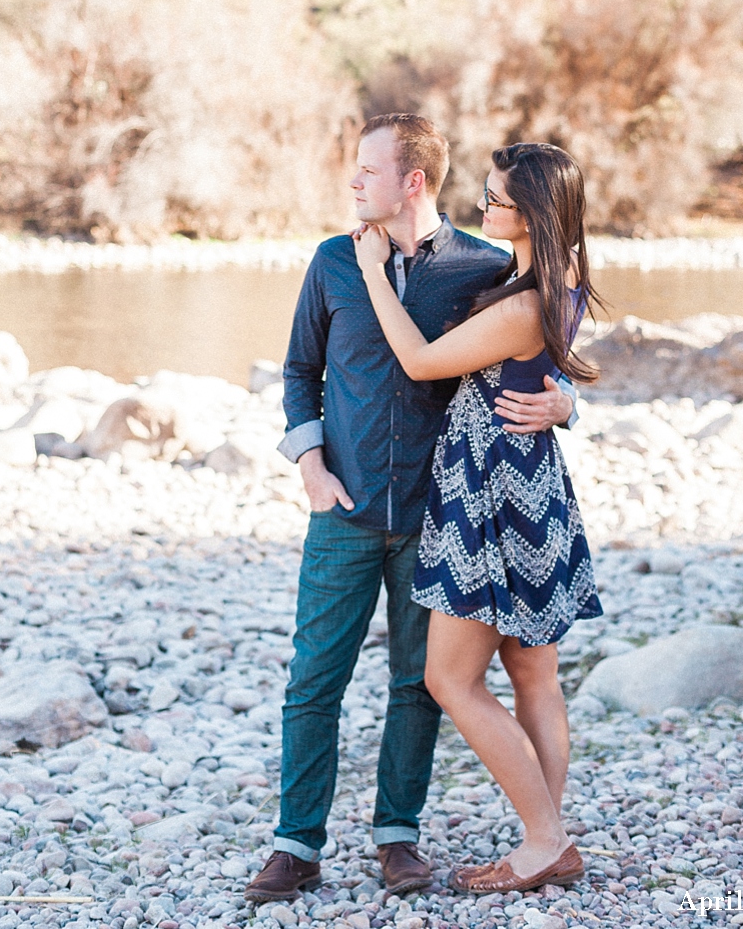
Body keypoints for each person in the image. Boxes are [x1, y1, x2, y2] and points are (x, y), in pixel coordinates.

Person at [244, 116, 577, 905]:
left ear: (413, 180)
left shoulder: (482, 267)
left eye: (367, 169)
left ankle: (398, 836)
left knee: (418, 683)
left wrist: (565, 405)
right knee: (313, 679)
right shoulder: (330, 261)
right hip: (344, 508)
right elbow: (299, 369)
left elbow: (534, 354)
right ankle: (296, 844)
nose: (354, 182)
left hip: (444, 517)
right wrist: (309, 463)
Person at [351, 142, 602, 896]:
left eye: (495, 198)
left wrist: (370, 271)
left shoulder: (524, 301)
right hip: (531, 485)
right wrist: (566, 402)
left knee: (448, 677)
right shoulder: (560, 280)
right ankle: (543, 837)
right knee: (533, 675)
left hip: (490, 487)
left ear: (531, 211)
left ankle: (544, 840)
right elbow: (548, 372)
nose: (483, 208)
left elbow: (423, 361)